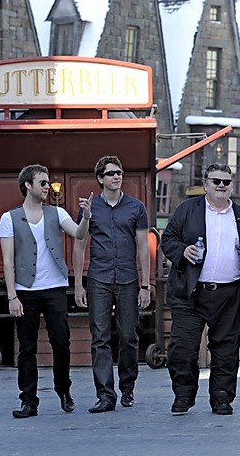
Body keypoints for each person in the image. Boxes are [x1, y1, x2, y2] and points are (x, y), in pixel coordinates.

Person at [161, 162, 240, 416]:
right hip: (191, 292)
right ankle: (183, 394)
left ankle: (222, 398)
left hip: (229, 293)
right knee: (182, 349)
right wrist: (182, 250)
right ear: (205, 184)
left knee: (226, 350)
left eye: (226, 182)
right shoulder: (187, 210)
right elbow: (168, 239)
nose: (221, 186)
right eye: (216, 181)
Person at [0, 164, 93, 418]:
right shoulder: (9, 218)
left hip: (55, 288)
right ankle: (28, 401)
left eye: (48, 182)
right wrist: (12, 296)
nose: (47, 187)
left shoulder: (57, 212)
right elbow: (7, 261)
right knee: (27, 348)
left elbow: (78, 234)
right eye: (42, 182)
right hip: (25, 290)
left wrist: (86, 216)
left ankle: (64, 390)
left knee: (61, 342)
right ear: (28, 185)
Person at [73, 156, 151, 413]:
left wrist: (145, 285)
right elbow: (79, 244)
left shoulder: (136, 207)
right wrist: (78, 284)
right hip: (99, 279)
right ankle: (105, 395)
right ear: (100, 178)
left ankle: (127, 387)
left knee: (129, 336)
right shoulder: (90, 207)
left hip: (128, 279)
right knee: (100, 338)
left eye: (119, 172)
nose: (117, 176)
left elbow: (143, 247)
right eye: (111, 173)